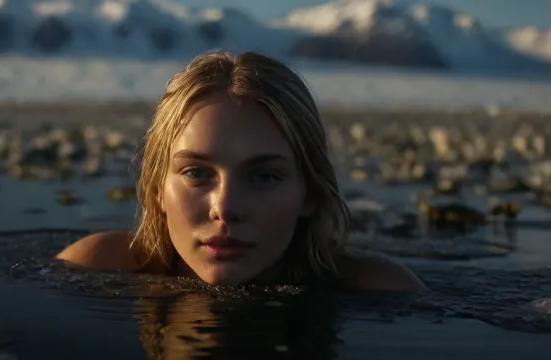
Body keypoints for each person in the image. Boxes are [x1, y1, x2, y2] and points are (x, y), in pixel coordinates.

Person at [56, 51, 426, 292]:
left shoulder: (381, 291)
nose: (225, 207)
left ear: (310, 195)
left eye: (264, 177)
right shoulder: (94, 268)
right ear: (156, 189)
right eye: (197, 173)